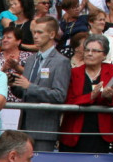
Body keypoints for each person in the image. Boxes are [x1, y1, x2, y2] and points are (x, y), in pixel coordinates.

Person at [11, 16, 72, 152]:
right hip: (24, 126)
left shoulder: (61, 62)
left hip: (44, 128)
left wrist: (29, 86)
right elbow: (24, 92)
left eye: (39, 32)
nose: (35, 36)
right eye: (34, 32)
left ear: (51, 34)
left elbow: (59, 95)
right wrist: (15, 85)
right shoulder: (31, 59)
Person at [58, 34, 113, 153]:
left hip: (101, 133)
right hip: (74, 132)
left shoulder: (112, 71)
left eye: (95, 51)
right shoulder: (73, 73)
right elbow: (67, 101)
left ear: (104, 55)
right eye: (87, 50)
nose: (89, 54)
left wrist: (110, 97)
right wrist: (91, 96)